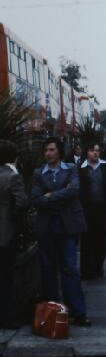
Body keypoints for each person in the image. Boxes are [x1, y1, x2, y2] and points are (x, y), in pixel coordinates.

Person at [31, 137, 91, 326]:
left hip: (68, 226)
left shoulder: (71, 169)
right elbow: (35, 198)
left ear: (59, 152)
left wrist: (50, 196)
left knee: (70, 269)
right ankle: (54, 312)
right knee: (48, 270)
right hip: (47, 226)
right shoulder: (38, 173)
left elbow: (73, 190)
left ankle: (78, 312)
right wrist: (58, 196)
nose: (47, 153)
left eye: (51, 150)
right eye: (46, 150)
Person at [78, 143, 106, 279]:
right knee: (86, 238)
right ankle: (86, 270)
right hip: (86, 209)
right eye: (92, 150)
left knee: (100, 237)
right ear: (86, 152)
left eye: (97, 150)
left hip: (102, 208)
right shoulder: (80, 168)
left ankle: (98, 266)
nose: (95, 153)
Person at [0, 140, 28, 329]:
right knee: (6, 278)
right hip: (5, 234)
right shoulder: (13, 177)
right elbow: (22, 204)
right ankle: (7, 318)